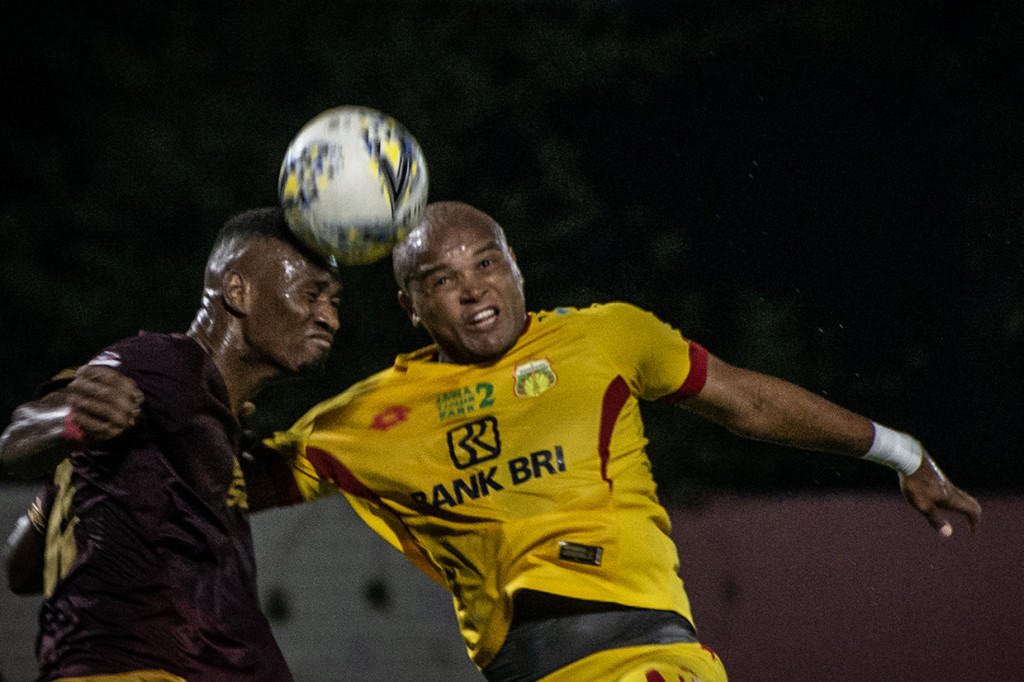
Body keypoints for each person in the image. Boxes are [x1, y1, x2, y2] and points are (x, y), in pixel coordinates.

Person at [255, 201, 980, 682]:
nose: (474, 289)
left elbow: (746, 402)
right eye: (442, 279)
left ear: (516, 268)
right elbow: (225, 481)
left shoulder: (602, 337)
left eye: (486, 263)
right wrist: (161, 391)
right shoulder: (363, 419)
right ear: (410, 307)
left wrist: (900, 451)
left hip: (641, 660)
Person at [0, 206, 342, 682]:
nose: (329, 318)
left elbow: (20, 571)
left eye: (335, 302)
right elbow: (16, 437)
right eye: (312, 295)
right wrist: (70, 421)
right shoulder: (169, 364)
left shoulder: (212, 421)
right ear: (239, 292)